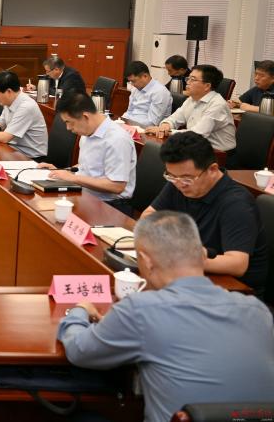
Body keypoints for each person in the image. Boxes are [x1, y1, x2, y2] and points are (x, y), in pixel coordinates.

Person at [57, 211, 274, 422]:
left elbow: (79, 350)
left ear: (145, 261)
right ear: (202, 255)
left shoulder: (140, 310)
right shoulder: (258, 311)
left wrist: (79, 311)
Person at [141, 131, 267, 295]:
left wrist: (180, 260)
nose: (179, 184)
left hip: (233, 292)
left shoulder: (237, 204)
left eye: (186, 179)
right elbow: (148, 217)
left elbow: (237, 264)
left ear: (212, 169)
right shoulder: (179, 181)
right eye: (171, 176)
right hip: (190, 277)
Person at [41, 92, 137, 215]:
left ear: (85, 116)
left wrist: (73, 178)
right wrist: (62, 171)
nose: (68, 128)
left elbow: (117, 186)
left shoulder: (117, 139)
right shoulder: (87, 132)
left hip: (111, 207)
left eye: (69, 122)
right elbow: (85, 166)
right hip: (85, 196)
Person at [147, 64, 236, 154]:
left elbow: (197, 134)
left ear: (207, 86)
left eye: (193, 79)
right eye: (188, 78)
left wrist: (168, 132)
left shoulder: (217, 105)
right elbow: (175, 118)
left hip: (218, 153)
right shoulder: (192, 99)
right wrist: (165, 126)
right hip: (196, 147)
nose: (188, 82)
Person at [121, 60, 172, 127]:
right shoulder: (136, 89)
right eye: (130, 81)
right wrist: (121, 122)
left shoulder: (160, 92)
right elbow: (129, 111)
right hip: (131, 125)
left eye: (133, 81)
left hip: (147, 129)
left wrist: (129, 125)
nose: (132, 84)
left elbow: (152, 123)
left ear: (145, 76)